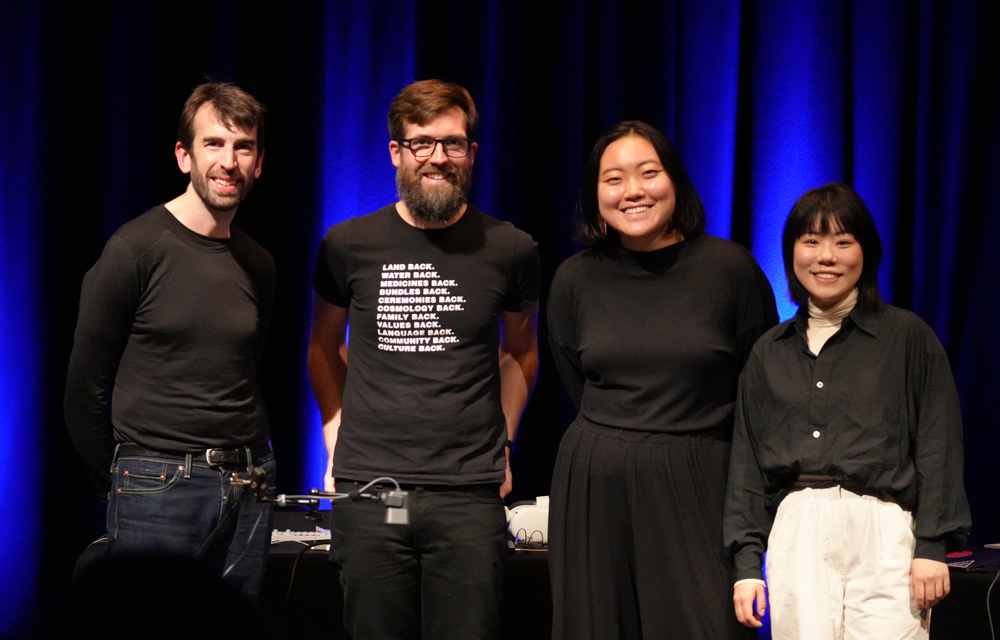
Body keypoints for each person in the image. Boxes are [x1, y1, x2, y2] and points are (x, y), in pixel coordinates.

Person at [308, 79, 540, 640]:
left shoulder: (510, 249)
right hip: (372, 494)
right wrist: (336, 429)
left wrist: (504, 440)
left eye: (453, 143)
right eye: (421, 143)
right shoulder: (348, 245)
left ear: (472, 153)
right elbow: (321, 347)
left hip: (467, 497)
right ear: (396, 152)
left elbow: (522, 350)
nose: (438, 157)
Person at [546, 120, 777, 640]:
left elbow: (760, 390)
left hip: (701, 476)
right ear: (594, 193)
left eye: (648, 173)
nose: (633, 191)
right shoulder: (574, 279)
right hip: (596, 481)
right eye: (614, 179)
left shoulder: (730, 269)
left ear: (675, 180)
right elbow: (574, 380)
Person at [723, 182, 972, 639]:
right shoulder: (769, 352)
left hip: (884, 528)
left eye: (843, 241)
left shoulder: (907, 338)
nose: (826, 256)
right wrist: (745, 565)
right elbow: (746, 465)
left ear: (866, 252)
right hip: (798, 529)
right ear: (792, 251)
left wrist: (932, 546)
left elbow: (939, 443)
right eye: (811, 241)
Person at [64, 82, 276, 597]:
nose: (229, 161)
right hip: (157, 485)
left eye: (242, 147)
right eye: (213, 144)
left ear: (259, 162)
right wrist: (125, 483)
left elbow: (246, 369)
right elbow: (83, 392)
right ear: (184, 156)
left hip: (250, 483)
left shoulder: (259, 263)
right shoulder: (135, 250)